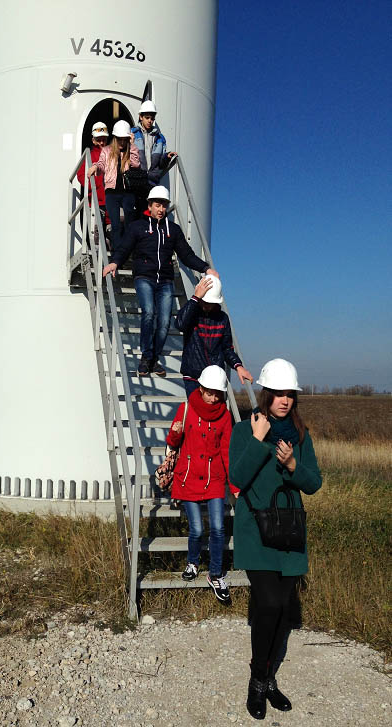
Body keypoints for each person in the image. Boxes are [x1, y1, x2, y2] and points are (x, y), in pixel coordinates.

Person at [229, 358, 322, 720]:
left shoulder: (300, 435)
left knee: (282, 609)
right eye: (279, 393)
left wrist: (294, 466)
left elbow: (313, 483)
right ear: (266, 393)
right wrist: (257, 440)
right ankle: (257, 682)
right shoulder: (245, 429)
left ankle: (269, 680)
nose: (285, 400)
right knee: (267, 604)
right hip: (256, 531)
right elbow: (237, 477)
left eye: (290, 394)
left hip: (289, 532)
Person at [102, 185, 217, 377]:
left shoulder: (173, 230)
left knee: (164, 322)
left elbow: (186, 255)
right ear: (149, 205)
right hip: (144, 277)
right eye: (157, 205)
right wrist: (114, 262)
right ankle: (146, 357)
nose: (161, 209)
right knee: (149, 313)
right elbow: (124, 248)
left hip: (165, 280)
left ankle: (153, 359)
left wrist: (206, 268)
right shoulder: (137, 227)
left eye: (164, 205)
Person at [166, 365, 239, 601]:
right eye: (209, 392)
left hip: (214, 478)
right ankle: (193, 562)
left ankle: (215, 574)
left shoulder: (225, 416)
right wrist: (175, 432)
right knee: (197, 529)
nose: (213, 398)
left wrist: (234, 487)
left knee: (218, 528)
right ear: (200, 388)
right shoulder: (186, 408)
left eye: (217, 394)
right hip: (187, 478)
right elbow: (172, 442)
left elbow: (227, 452)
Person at [176, 274, 253, 397]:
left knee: (216, 409)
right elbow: (180, 324)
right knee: (196, 410)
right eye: (204, 301)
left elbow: (227, 348)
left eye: (210, 302)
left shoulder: (222, 318)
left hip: (215, 378)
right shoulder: (191, 313)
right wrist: (195, 298)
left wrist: (238, 366)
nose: (207, 305)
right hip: (193, 376)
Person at [88, 120, 139, 251]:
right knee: (115, 225)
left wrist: (132, 145)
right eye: (119, 139)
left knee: (129, 223)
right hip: (111, 192)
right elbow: (101, 164)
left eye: (124, 139)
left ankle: (128, 251)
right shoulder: (107, 150)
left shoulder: (131, 149)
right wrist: (95, 167)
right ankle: (117, 254)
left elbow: (136, 165)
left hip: (128, 191)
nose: (122, 142)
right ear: (115, 138)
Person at [131, 100, 177, 214]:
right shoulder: (132, 133)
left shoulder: (160, 138)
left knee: (150, 213)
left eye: (152, 118)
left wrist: (167, 157)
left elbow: (161, 164)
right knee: (138, 211)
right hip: (137, 179)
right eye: (147, 117)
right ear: (141, 117)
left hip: (152, 181)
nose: (150, 121)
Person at [76, 121, 109, 231]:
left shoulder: (112, 153)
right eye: (99, 139)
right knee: (96, 234)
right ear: (93, 140)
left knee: (112, 233)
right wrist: (94, 186)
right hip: (95, 202)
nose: (101, 142)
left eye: (104, 139)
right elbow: (81, 175)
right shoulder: (89, 155)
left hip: (111, 201)